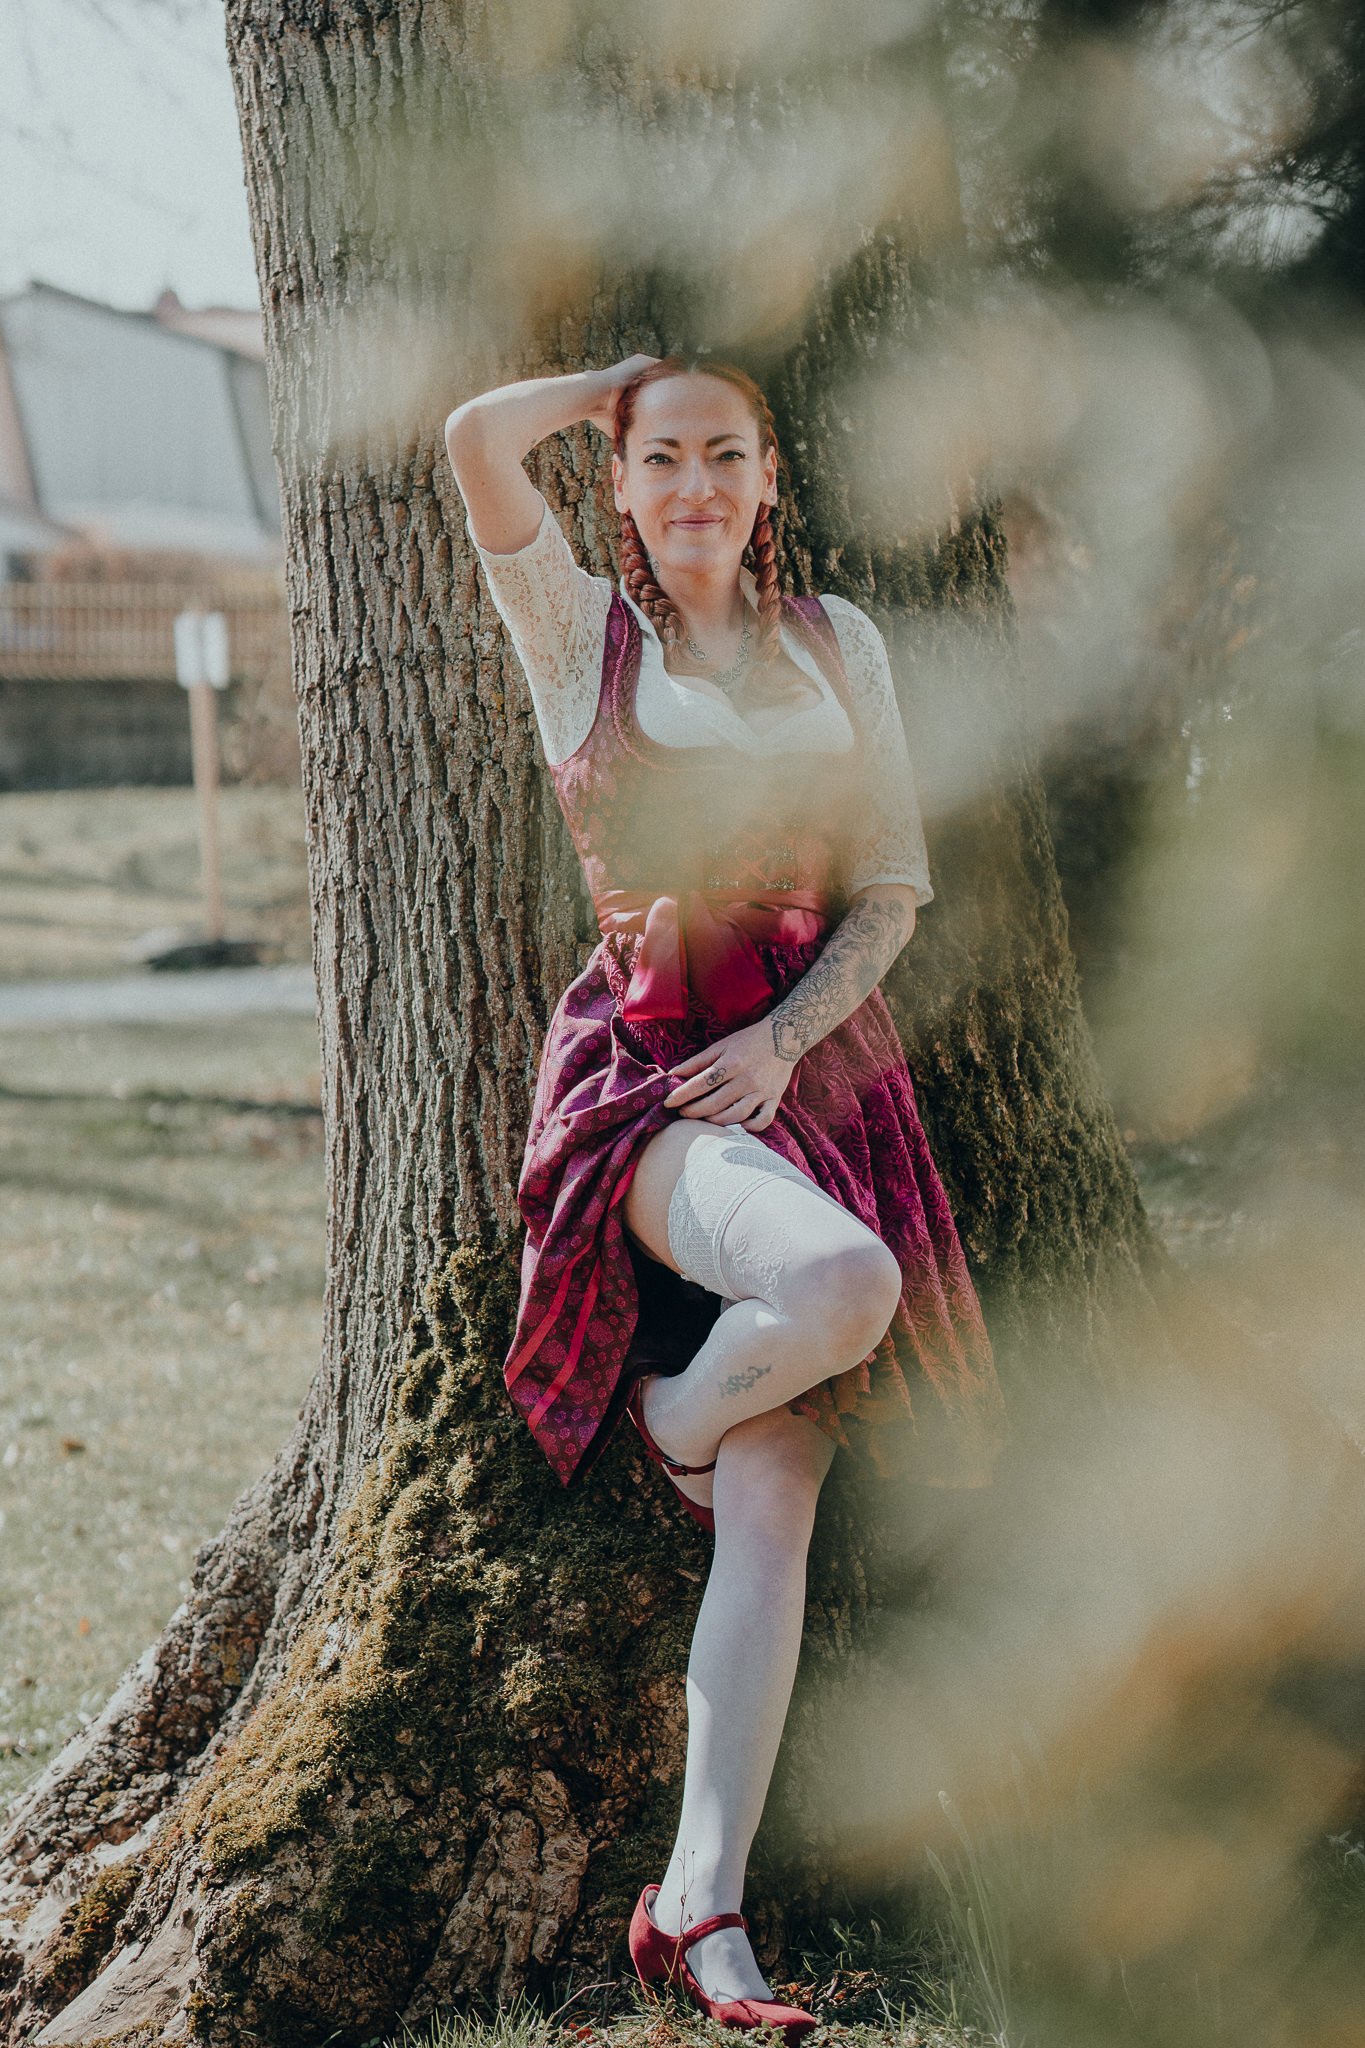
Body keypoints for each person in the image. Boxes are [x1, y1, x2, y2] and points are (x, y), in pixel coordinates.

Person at [444, 353, 1005, 2042]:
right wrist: (618, 381)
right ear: (621, 488)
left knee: (782, 1510)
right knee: (837, 1289)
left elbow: (892, 884)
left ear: (771, 477)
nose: (694, 483)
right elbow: (473, 441)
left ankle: (699, 1909)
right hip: (650, 1090)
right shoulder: (577, 640)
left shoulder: (847, 645)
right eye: (661, 458)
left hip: (818, 1081)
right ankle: (674, 1424)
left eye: (725, 455)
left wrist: (786, 1037)